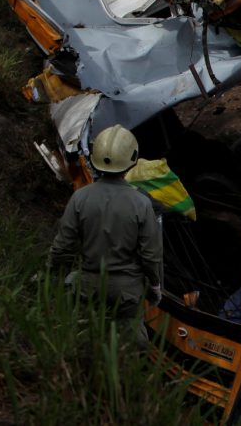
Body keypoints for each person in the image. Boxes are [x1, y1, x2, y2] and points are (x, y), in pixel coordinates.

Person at [48, 125, 163, 345]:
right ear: (133, 158)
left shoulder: (80, 198)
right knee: (134, 343)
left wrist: (51, 274)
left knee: (83, 335)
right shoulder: (141, 203)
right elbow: (151, 255)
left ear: (95, 158)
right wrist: (155, 286)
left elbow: (62, 247)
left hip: (88, 287)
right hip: (127, 293)